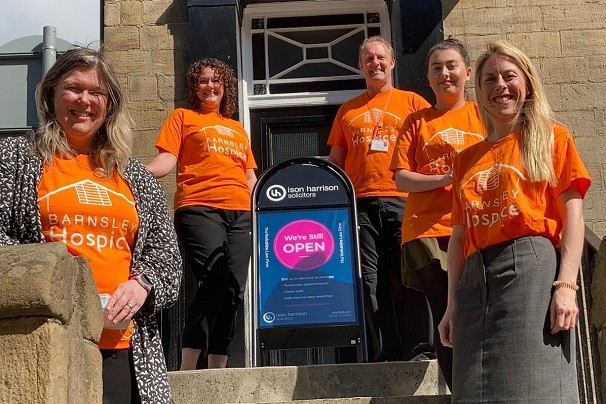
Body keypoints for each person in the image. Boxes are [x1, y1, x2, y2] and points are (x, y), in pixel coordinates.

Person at [0, 47, 182, 403]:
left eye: (96, 92)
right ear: (51, 93)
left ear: (109, 104)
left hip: (122, 343)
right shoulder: (16, 158)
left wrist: (143, 284)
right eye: (73, 88)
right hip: (41, 339)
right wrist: (52, 276)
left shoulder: (136, 177)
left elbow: (167, 254)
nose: (84, 100)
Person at [438, 39, 591, 402]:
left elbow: (573, 214)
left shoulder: (552, 138)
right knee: (472, 392)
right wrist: (452, 304)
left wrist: (566, 285)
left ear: (528, 83)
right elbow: (459, 238)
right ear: (479, 90)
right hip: (474, 280)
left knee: (533, 386)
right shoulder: (465, 160)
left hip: (530, 272)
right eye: (489, 79)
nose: (500, 87)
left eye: (509, 76)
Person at [147, 58, 257, 370]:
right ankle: (188, 366)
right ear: (195, 87)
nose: (210, 86)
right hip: (199, 206)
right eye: (203, 81)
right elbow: (166, 161)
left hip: (241, 212)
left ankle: (217, 371)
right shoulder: (182, 117)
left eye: (216, 81)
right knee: (214, 281)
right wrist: (133, 172)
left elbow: (249, 177)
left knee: (234, 288)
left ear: (226, 88)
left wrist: (271, 203)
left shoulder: (237, 128)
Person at [327, 35, 431, 362]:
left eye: (381, 57)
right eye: (369, 59)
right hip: (362, 205)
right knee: (370, 280)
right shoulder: (347, 110)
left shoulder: (413, 103)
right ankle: (385, 351)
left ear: (392, 62)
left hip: (405, 199)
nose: (375, 63)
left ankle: (419, 349)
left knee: (411, 274)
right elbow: (335, 161)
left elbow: (432, 148)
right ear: (360, 66)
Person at [390, 38, 484, 388]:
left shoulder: (483, 115)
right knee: (448, 311)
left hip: (478, 227)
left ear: (468, 72)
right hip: (426, 229)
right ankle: (460, 393)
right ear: (428, 79)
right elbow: (401, 178)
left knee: (475, 311)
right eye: (436, 69)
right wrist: (446, 177)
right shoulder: (416, 121)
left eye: (451, 66)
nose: (444, 74)